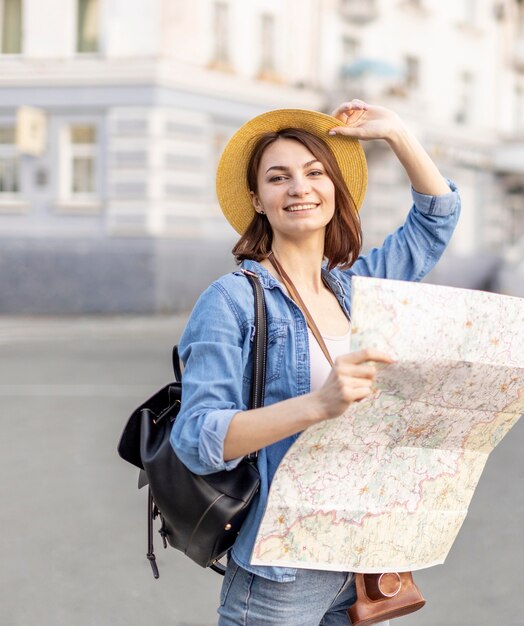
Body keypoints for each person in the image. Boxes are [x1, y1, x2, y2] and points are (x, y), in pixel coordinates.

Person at [170, 99, 461, 625]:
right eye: (278, 178)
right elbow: (198, 438)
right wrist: (319, 404)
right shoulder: (231, 301)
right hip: (283, 569)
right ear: (258, 200)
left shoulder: (355, 289)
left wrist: (395, 132)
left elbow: (435, 221)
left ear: (334, 191)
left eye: (315, 172)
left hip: (360, 558)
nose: (299, 188)